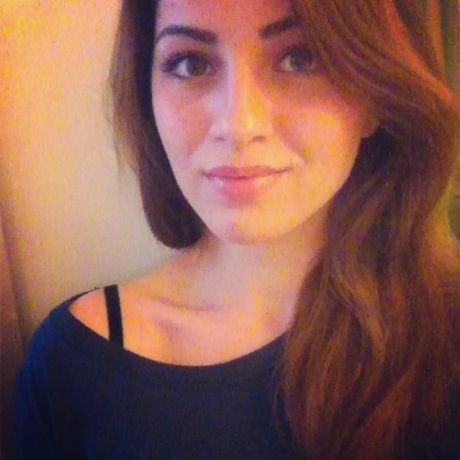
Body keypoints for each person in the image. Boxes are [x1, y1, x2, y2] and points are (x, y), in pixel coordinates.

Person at [15, 0, 460, 458]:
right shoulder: (71, 365)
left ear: (375, 97)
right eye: (191, 64)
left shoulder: (444, 332)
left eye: (301, 58)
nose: (238, 125)